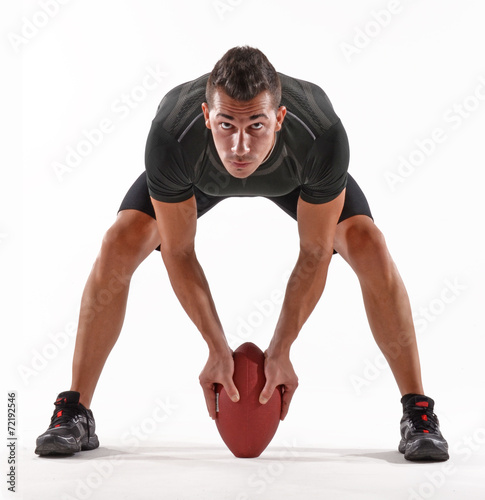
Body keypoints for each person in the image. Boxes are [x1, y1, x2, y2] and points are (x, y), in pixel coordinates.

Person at [35, 46, 449, 461]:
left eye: (256, 125)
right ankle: (75, 411)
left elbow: (314, 252)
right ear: (205, 116)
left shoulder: (320, 133)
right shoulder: (172, 134)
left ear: (280, 118)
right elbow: (178, 251)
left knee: (368, 243)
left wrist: (282, 347)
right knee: (119, 241)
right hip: (196, 175)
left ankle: (417, 412)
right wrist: (216, 347)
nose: (239, 146)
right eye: (225, 124)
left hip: (296, 175)